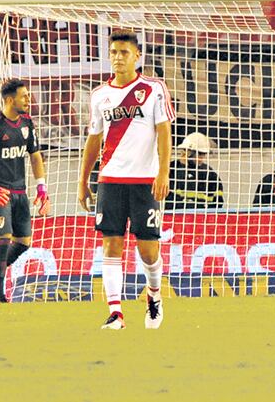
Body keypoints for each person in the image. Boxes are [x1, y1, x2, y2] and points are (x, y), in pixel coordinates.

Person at [78, 30, 175, 330]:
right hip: (110, 180)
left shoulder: (154, 89)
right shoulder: (99, 95)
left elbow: (164, 132)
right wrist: (83, 180)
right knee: (111, 245)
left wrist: (163, 172)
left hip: (144, 180)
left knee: (148, 250)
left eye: (124, 52)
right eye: (114, 52)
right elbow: (93, 139)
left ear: (137, 56)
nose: (118, 58)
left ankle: (154, 295)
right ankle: (115, 313)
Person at [0, 78, 49, 303]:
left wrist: (41, 187)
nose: (29, 99)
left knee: (23, 242)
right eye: (24, 96)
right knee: (2, 240)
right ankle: (0, 297)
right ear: (10, 100)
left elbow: (35, 156)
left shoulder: (27, 123)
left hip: (19, 192)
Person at [166, 132, 225, 210]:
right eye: (199, 154)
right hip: (172, 216)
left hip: (200, 217)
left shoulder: (210, 175)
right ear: (187, 152)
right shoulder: (169, 171)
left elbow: (217, 205)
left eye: (204, 154)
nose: (202, 158)